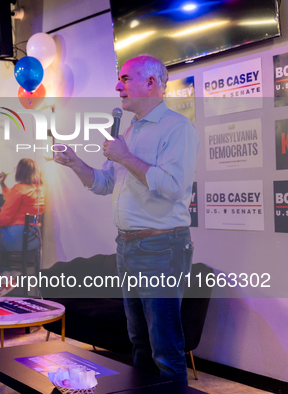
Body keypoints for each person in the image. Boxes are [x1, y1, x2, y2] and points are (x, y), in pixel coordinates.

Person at [55, 54, 199, 384]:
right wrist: (75, 163)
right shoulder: (130, 132)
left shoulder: (177, 128)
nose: (118, 86)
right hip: (127, 247)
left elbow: (174, 187)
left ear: (151, 83)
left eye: (125, 78)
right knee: (139, 345)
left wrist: (126, 156)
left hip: (162, 248)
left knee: (165, 349)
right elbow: (106, 183)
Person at [0, 158, 45, 252]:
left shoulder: (19, 189)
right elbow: (12, 199)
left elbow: (5, 216)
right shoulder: (39, 190)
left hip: (17, 239)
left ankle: (1, 267)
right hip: (34, 239)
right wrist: (2, 184)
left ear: (20, 171)